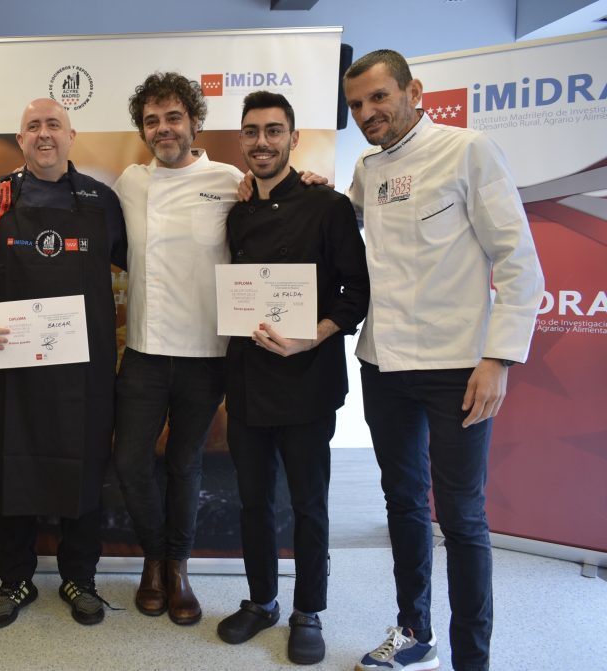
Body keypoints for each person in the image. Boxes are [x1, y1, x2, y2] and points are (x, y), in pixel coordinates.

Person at [343, 50, 544, 671]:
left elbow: (518, 260)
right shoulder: (366, 169)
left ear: (414, 91)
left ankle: (472, 660)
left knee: (461, 517)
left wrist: (499, 358)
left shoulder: (468, 150)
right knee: (403, 504)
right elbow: (341, 220)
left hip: (458, 366)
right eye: (356, 105)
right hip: (383, 363)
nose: (368, 113)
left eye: (379, 97)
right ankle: (414, 634)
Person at [0, 98, 127, 628]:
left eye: (54, 124)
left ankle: (80, 578)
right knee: (11, 468)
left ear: (72, 136)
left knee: (85, 468)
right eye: (33, 126)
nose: (44, 134)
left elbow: (139, 262)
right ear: (20, 140)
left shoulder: (101, 199)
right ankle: (15, 580)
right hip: (13, 364)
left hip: (84, 368)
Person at [216, 91, 369, 665]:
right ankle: (262, 601)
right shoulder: (237, 212)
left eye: (273, 131)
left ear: (293, 138)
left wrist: (315, 334)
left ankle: (308, 610)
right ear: (242, 140)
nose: (262, 142)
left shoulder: (327, 205)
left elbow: (357, 292)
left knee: (308, 503)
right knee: (252, 501)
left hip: (307, 378)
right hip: (248, 378)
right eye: (252, 132)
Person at [112, 71, 244, 626]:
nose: (163, 129)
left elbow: (274, 214)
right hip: (144, 349)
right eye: (152, 121)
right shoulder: (130, 182)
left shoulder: (230, 180)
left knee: (186, 463)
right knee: (130, 461)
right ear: (142, 130)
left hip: (206, 351)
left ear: (194, 121)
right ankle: (154, 557)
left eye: (173, 117)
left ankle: (178, 567)